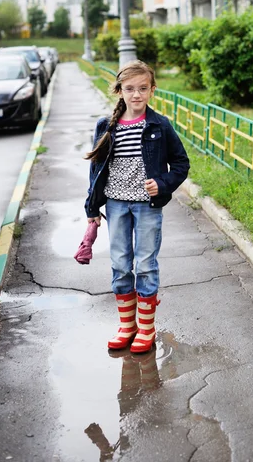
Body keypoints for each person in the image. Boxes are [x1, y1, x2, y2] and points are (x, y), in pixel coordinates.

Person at [84, 60, 189, 354]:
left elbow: (181, 164)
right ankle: (127, 326)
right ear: (119, 91)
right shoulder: (106, 126)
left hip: (147, 207)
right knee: (119, 265)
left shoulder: (159, 125)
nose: (136, 95)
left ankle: (146, 329)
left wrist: (163, 183)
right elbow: (96, 170)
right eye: (129, 89)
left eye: (143, 88)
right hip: (116, 206)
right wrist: (92, 209)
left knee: (144, 265)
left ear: (152, 90)